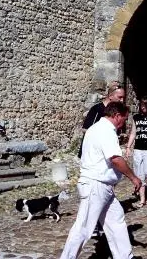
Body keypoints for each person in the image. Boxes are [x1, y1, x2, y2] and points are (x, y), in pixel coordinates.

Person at [60, 102, 142, 259]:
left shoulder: (95, 128)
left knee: (116, 220)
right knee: (83, 228)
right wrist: (134, 177)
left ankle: (125, 256)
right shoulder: (106, 131)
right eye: (124, 120)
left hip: (103, 186)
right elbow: (116, 159)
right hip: (96, 184)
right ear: (117, 116)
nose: (123, 124)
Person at [78, 81, 125, 237]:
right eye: (120, 97)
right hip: (95, 156)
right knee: (95, 193)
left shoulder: (117, 112)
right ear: (110, 96)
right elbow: (86, 129)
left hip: (108, 154)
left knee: (107, 192)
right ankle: (93, 225)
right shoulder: (97, 109)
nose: (122, 100)